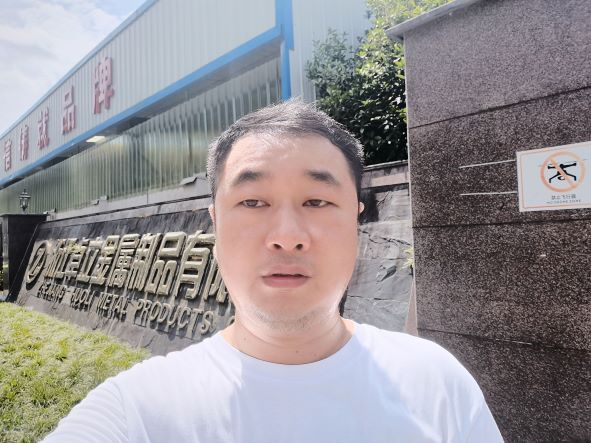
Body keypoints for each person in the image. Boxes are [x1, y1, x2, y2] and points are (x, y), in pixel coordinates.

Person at [43, 100, 504, 442]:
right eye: (253, 202)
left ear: (356, 218)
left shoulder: (436, 382)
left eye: (317, 201)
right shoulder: (137, 411)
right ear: (216, 223)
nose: (287, 236)